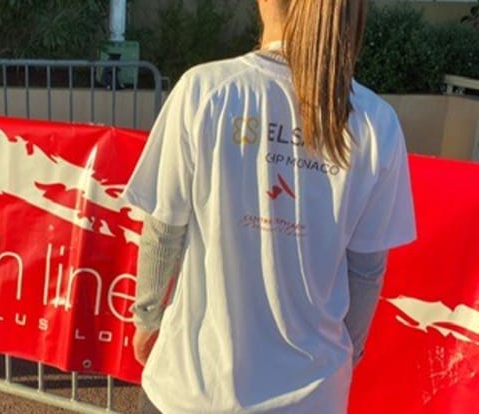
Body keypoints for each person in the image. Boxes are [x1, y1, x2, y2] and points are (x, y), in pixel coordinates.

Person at [122, 0, 417, 412]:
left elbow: (164, 230)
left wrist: (147, 319)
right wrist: (346, 354)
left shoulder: (206, 90)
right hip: (312, 396)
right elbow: (366, 270)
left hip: (193, 389)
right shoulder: (375, 123)